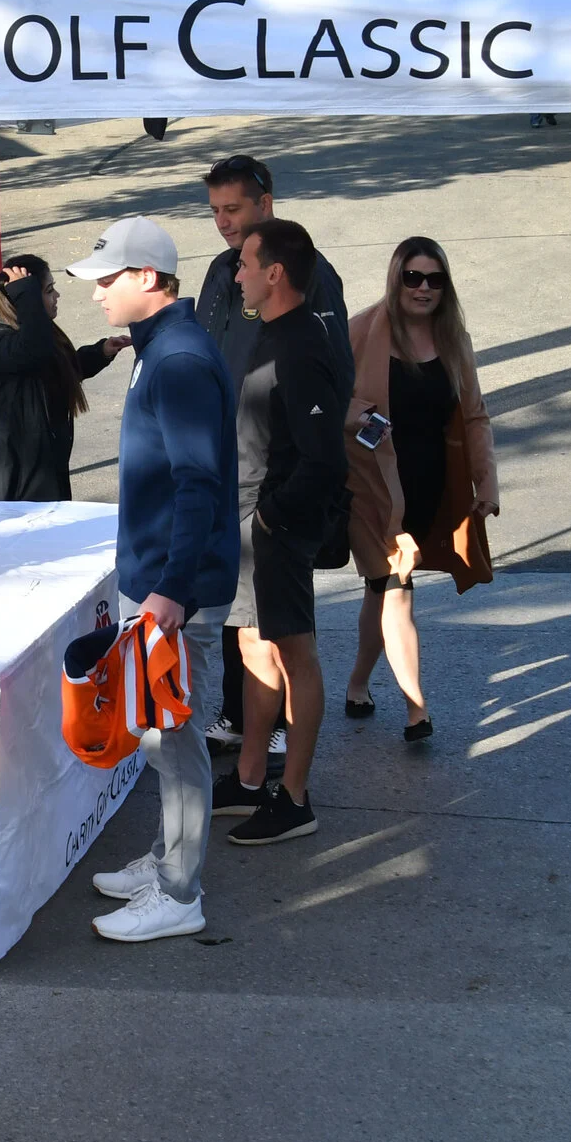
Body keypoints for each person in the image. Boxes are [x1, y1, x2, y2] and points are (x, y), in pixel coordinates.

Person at [68, 216, 236, 940]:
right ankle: (169, 860)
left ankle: (179, 892)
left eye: (107, 279)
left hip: (176, 591)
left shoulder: (178, 359)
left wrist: (171, 588)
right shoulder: (160, 347)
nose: (97, 293)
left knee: (177, 737)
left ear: (147, 277)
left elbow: (198, 484)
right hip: (162, 581)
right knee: (161, 738)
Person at [196, 154, 348, 761]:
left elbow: (331, 377)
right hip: (227, 468)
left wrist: (277, 508)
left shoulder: (311, 277)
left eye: (232, 209)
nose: (223, 222)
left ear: (265, 202)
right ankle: (241, 722)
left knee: (278, 630)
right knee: (240, 621)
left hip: (271, 483)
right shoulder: (222, 270)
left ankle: (281, 737)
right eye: (214, 211)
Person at [340, 238, 499, 742]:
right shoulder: (361, 331)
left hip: (427, 486)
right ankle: (417, 708)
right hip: (371, 487)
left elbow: (474, 416)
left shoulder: (454, 340)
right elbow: (324, 395)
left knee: (380, 590)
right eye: (413, 277)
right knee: (396, 587)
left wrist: (486, 482)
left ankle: (358, 684)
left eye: (435, 279)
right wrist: (359, 415)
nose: (423, 288)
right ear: (396, 279)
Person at [221, 219, 348, 846]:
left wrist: (272, 518)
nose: (237, 273)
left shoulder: (300, 343)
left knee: (295, 655)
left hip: (276, 526)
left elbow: (324, 458)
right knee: (253, 646)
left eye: (246, 264)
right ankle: (249, 780)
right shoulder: (271, 332)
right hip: (251, 519)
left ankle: (294, 797)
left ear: (275, 273)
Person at [0, 253, 128, 500]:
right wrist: (26, 294)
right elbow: (34, 353)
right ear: (24, 298)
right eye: (49, 291)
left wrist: (100, 352)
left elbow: (55, 371)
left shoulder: (29, 335)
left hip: (42, 467)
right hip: (14, 480)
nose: (57, 296)